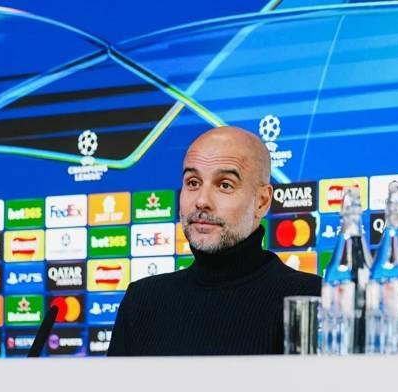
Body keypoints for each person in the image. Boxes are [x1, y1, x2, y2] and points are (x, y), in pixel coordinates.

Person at [107, 126, 321, 356]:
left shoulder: (311, 298)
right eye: (192, 182)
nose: (202, 201)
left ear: (262, 201)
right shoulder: (142, 301)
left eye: (224, 185)